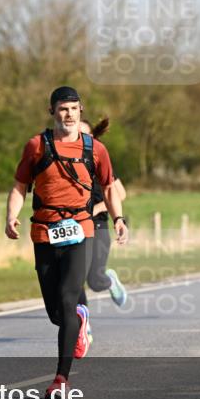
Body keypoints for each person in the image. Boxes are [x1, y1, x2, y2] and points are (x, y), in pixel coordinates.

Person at [5, 87, 128, 399]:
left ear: (80, 111)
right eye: (62, 109)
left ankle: (61, 379)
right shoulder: (36, 146)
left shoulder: (95, 149)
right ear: (52, 111)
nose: (68, 114)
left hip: (81, 230)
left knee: (68, 296)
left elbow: (111, 187)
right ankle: (78, 318)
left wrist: (118, 220)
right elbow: (20, 185)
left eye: (73, 108)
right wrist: (11, 216)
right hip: (44, 231)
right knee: (56, 312)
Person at [79, 118, 128, 307]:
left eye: (84, 134)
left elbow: (120, 193)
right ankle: (82, 325)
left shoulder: (99, 159)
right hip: (74, 227)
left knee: (95, 281)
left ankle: (109, 280)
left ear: (92, 137)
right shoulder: (63, 160)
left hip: (97, 225)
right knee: (74, 280)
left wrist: (96, 209)